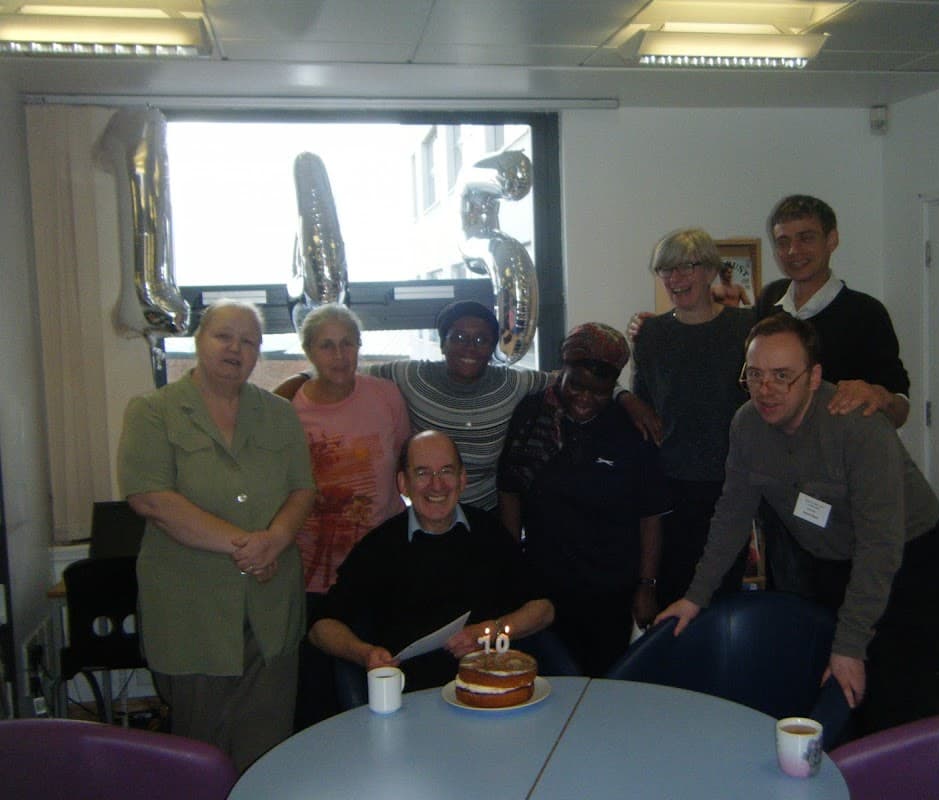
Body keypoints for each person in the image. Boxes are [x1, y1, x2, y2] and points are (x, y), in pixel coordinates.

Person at [656, 315, 939, 735]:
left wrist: (850, 646)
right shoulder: (747, 425)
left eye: (781, 376)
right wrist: (696, 596)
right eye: (755, 375)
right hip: (829, 559)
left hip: (906, 559)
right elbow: (731, 517)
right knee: (829, 691)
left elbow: (879, 548)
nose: (765, 390)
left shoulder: (858, 427)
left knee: (890, 699)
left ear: (814, 378)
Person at [118, 300, 315, 771]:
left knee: (268, 748)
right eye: (223, 336)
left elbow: (304, 490)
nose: (236, 348)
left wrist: (276, 539)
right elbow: (152, 501)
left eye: (249, 341)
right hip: (192, 614)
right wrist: (249, 547)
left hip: (271, 611)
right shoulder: (153, 411)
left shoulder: (280, 414)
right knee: (200, 752)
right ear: (198, 341)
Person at [277, 300, 658, 511]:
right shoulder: (409, 376)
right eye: (458, 337)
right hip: (427, 512)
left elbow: (570, 379)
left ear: (493, 346)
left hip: (488, 515)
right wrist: (301, 379)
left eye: (481, 340)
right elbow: (346, 370)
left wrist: (625, 397)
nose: (468, 348)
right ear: (442, 342)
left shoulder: (512, 382)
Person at [309, 430, 554, 692]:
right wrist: (365, 653)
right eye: (423, 473)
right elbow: (321, 627)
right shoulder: (379, 546)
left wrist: (492, 631)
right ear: (404, 483)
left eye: (446, 471)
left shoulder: (489, 532)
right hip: (410, 697)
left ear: (462, 480)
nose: (436, 485)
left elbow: (543, 608)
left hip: (488, 689)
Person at [497, 323, 672, 675]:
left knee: (599, 685)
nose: (584, 398)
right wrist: (510, 566)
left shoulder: (630, 427)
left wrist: (647, 586)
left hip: (609, 589)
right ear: (562, 370)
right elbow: (509, 491)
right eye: (576, 385)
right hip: (543, 584)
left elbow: (651, 514)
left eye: (600, 391)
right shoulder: (532, 414)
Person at [289, 304, 410, 729]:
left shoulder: (385, 396)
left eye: (348, 344)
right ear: (308, 351)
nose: (339, 356)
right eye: (327, 346)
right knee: (319, 693)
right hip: (313, 574)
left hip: (381, 570)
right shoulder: (289, 410)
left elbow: (402, 462)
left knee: (377, 679)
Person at [631, 228, 755, 607]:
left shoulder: (745, 328)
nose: (675, 279)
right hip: (671, 485)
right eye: (666, 270)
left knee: (722, 592)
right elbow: (644, 405)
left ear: (710, 271)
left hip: (730, 483)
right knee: (672, 591)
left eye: (685, 267)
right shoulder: (652, 332)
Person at [757, 194, 910, 428]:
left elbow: (901, 409)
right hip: (777, 454)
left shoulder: (866, 314)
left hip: (840, 457)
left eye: (806, 239)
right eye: (783, 242)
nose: (792, 251)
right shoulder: (769, 302)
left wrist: (879, 396)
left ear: (832, 240)